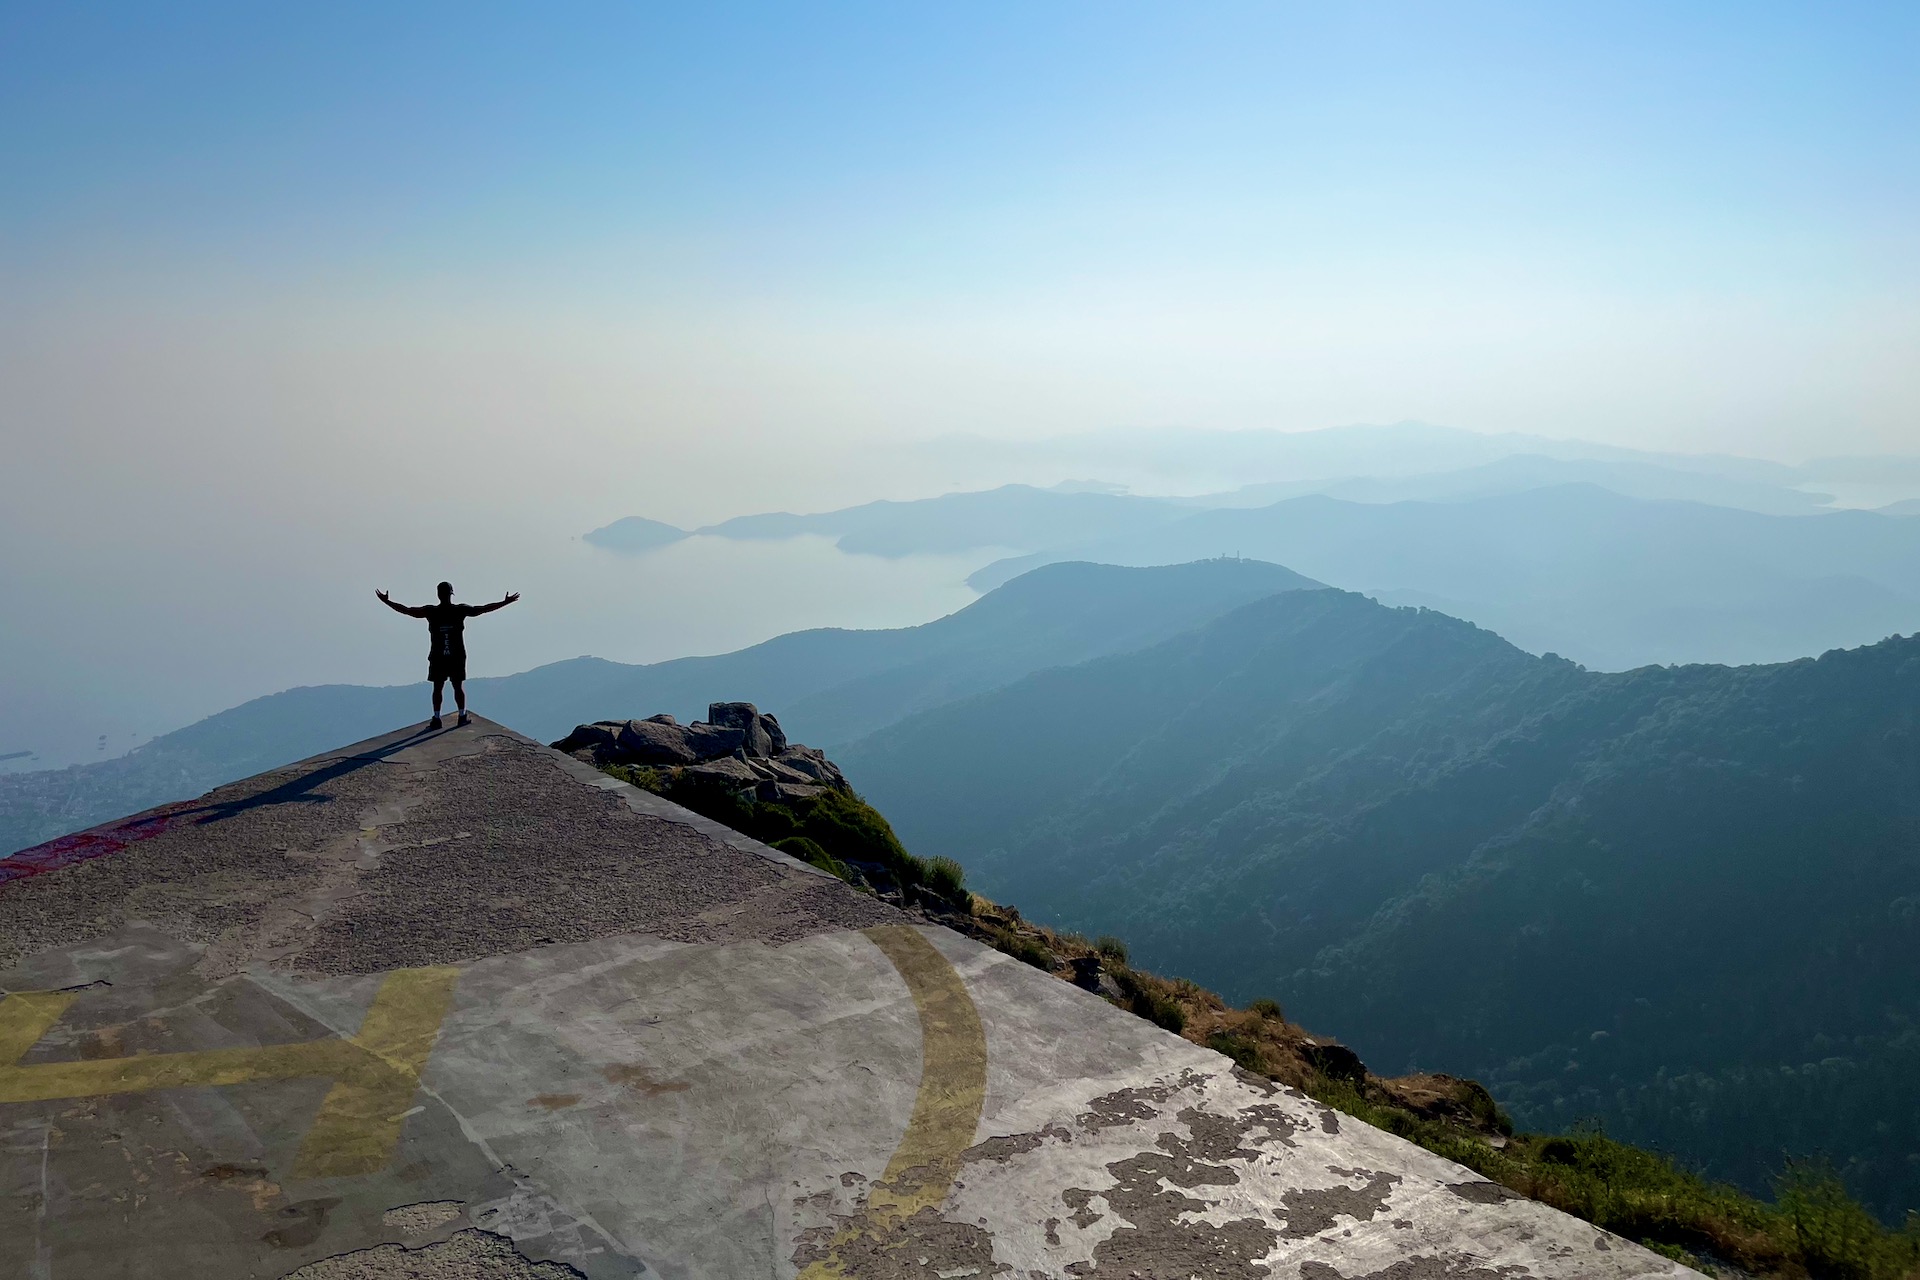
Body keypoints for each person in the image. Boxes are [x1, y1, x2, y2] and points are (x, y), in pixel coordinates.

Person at [376, 582, 520, 729]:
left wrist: (387, 602)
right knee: (457, 686)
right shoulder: (459, 610)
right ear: (451, 594)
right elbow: (482, 609)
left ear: (438, 594)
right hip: (456, 656)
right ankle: (462, 716)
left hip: (438, 656)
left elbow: (407, 610)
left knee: (438, 687)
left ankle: (437, 718)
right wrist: (504, 602)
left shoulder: (431, 611)